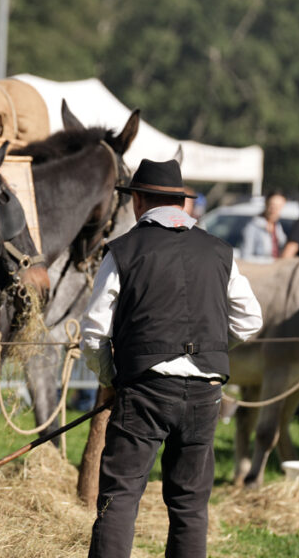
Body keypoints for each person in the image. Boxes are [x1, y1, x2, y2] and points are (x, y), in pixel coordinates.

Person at [80, 158, 263, 558]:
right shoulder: (219, 251)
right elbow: (250, 321)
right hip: (205, 393)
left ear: (139, 201)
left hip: (144, 390)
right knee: (190, 507)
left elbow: (93, 332)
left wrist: (111, 379)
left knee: (120, 499)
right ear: (180, 202)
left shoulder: (123, 250)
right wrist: (210, 350)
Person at [239, 188, 287, 261]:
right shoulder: (253, 227)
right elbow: (245, 257)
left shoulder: (278, 227)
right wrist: (270, 262)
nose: (274, 210)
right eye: (272, 205)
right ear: (266, 204)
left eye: (279, 206)